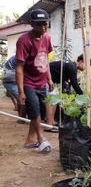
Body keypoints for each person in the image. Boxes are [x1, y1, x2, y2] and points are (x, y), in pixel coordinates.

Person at [16, 8, 53, 153]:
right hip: (28, 82)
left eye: (45, 24)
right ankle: (40, 139)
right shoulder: (24, 41)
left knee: (40, 111)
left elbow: (46, 60)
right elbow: (19, 67)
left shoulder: (47, 38)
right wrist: (20, 92)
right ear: (32, 24)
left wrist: (49, 79)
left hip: (42, 81)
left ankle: (29, 140)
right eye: (39, 24)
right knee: (34, 108)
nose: (43, 27)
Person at [45, 54, 90, 129]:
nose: (86, 68)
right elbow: (74, 84)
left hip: (52, 80)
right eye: (87, 65)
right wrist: (83, 96)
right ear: (81, 61)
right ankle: (49, 125)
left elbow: (67, 81)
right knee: (51, 99)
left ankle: (52, 121)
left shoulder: (71, 65)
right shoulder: (72, 67)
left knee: (55, 97)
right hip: (46, 77)